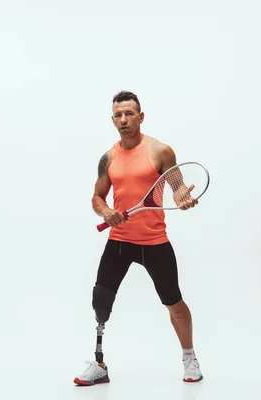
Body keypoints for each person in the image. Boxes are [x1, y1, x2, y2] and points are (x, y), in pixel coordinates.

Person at [73, 90, 203, 386]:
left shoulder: (159, 151)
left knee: (174, 302)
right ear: (112, 119)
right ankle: (99, 363)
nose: (123, 119)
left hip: (154, 242)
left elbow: (177, 187)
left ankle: (189, 357)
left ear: (140, 117)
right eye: (118, 115)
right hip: (118, 241)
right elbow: (97, 197)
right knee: (101, 300)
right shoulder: (108, 158)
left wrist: (183, 198)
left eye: (129, 113)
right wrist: (106, 211)